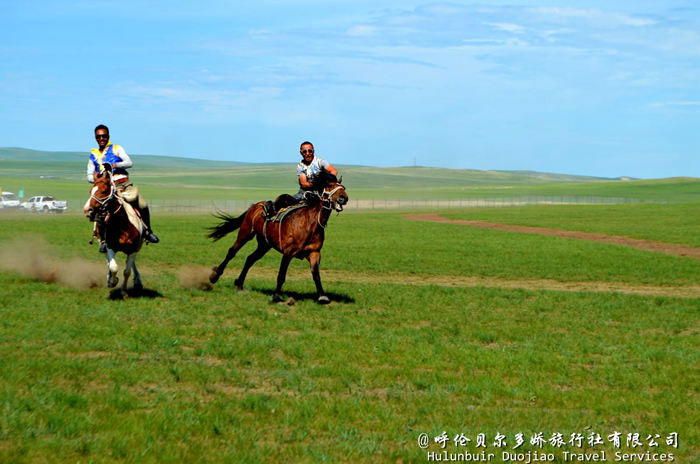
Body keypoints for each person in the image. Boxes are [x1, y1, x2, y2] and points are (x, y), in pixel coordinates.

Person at [84, 124, 159, 250]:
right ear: (95, 138)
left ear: (108, 136)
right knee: (92, 209)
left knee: (142, 204)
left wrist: (114, 165)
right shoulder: (93, 155)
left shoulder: (116, 149)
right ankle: (102, 239)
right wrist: (99, 176)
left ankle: (148, 232)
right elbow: (89, 177)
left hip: (123, 184)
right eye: (99, 136)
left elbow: (129, 163)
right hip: (106, 188)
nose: (101, 138)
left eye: (104, 136)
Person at [264, 141, 339, 218]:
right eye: (304, 151)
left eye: (310, 151)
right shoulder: (300, 166)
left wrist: (325, 181)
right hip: (304, 192)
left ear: (313, 151)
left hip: (320, 191)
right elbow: (304, 183)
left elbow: (334, 171)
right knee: (286, 200)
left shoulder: (321, 162)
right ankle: (273, 214)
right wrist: (316, 184)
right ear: (301, 153)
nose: (307, 153)